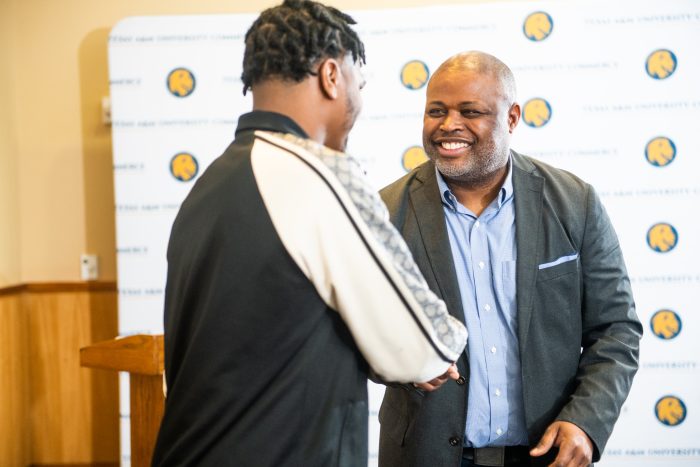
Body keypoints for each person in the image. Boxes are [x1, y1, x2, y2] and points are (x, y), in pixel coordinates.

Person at [151, 2, 467, 466]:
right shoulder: (321, 174)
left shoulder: (209, 187)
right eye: (359, 84)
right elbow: (425, 346)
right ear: (332, 75)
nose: (358, 101)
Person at [378, 51, 642, 467]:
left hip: (546, 454)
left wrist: (587, 420)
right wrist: (399, 361)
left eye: (470, 111)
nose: (449, 125)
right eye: (436, 111)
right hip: (424, 454)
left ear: (512, 117)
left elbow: (616, 330)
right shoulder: (384, 213)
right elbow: (358, 335)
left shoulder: (575, 203)